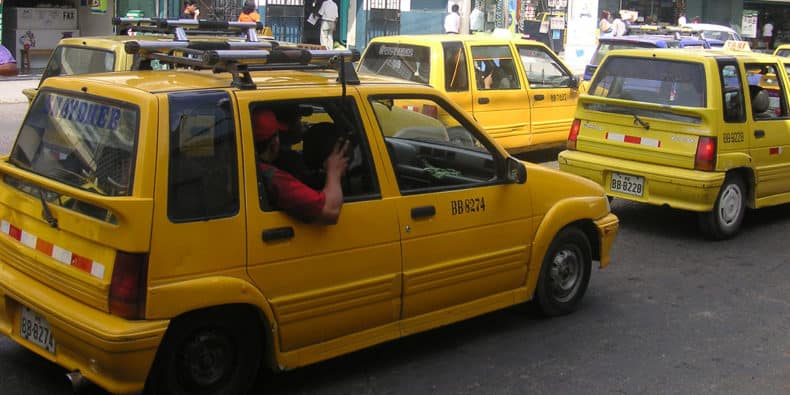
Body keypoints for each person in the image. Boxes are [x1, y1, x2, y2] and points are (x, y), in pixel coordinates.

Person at [253, 109, 349, 224]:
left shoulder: (250, 168)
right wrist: (334, 171)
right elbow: (330, 211)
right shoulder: (274, 179)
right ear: (274, 144)